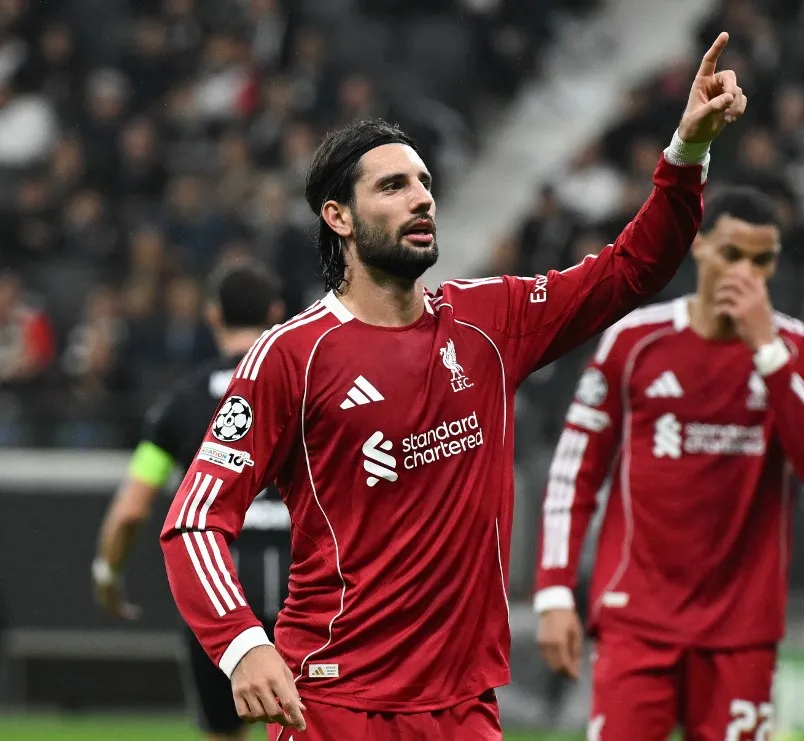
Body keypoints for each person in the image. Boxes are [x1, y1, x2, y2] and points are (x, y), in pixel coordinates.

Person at [158, 31, 746, 741]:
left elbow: (632, 269)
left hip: (463, 709)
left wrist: (687, 151)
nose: (421, 199)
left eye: (426, 184)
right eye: (393, 185)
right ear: (337, 217)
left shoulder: (489, 322)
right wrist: (242, 642)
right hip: (338, 707)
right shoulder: (292, 356)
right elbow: (194, 521)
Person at [533, 185, 804, 741]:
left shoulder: (802, 350)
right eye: (733, 254)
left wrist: (767, 351)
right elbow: (574, 471)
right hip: (637, 617)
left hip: (742, 628)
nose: (746, 273)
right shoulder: (634, 342)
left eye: (762, 260)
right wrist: (556, 593)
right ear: (699, 247)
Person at [93, 259, 289, 741]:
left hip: (221, 589)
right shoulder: (306, 386)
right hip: (303, 589)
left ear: (211, 316)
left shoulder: (181, 402)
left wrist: (108, 574)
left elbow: (131, 509)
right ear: (278, 313)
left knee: (224, 732)